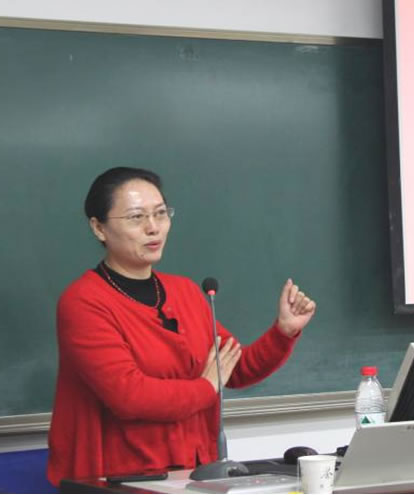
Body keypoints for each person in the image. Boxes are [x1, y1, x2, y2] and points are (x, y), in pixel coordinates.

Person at [47, 167, 316, 486]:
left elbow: (234, 368)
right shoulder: (84, 302)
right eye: (136, 217)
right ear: (99, 227)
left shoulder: (185, 292)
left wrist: (283, 332)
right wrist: (205, 387)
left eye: (161, 214)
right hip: (120, 480)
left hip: (194, 474)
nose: (153, 227)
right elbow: (128, 395)